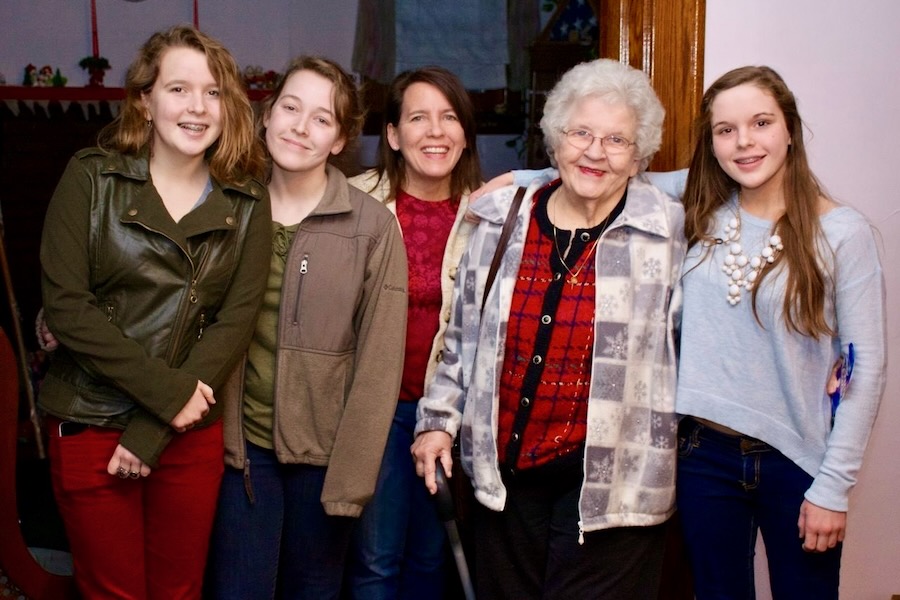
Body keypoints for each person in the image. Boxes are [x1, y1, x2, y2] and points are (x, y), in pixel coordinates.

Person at [411, 58, 685, 599]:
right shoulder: (500, 219)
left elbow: (735, 173)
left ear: (638, 158)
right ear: (554, 138)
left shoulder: (667, 228)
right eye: (580, 132)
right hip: (504, 481)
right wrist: (438, 421)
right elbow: (462, 338)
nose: (595, 151)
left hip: (613, 491)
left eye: (616, 140)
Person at [38, 25, 270, 599]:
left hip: (187, 438)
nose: (197, 107)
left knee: (179, 592)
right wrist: (167, 398)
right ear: (144, 99)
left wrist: (154, 429)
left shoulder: (246, 201)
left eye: (213, 92)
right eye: (178, 89)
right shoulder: (90, 177)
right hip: (91, 422)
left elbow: (233, 326)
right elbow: (67, 309)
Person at [674, 65, 885, 599]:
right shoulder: (697, 208)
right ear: (713, 143)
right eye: (726, 130)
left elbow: (867, 367)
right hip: (703, 456)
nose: (744, 142)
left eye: (761, 122)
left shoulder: (842, 232)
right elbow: (606, 173)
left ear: (790, 128)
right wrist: (525, 178)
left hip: (798, 462)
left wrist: (833, 489)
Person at [206, 56, 408, 600]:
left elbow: (379, 363)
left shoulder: (372, 228)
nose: (300, 126)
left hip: (324, 460)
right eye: (291, 108)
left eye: (322, 118)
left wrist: (350, 480)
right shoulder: (228, 208)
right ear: (266, 117)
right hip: (239, 453)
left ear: (341, 139)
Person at [344, 65, 482, 600]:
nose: (435, 131)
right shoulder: (355, 202)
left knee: (434, 559)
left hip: (449, 416)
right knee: (376, 559)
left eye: (449, 117)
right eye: (419, 118)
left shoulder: (490, 213)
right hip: (374, 410)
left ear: (465, 134)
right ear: (395, 136)